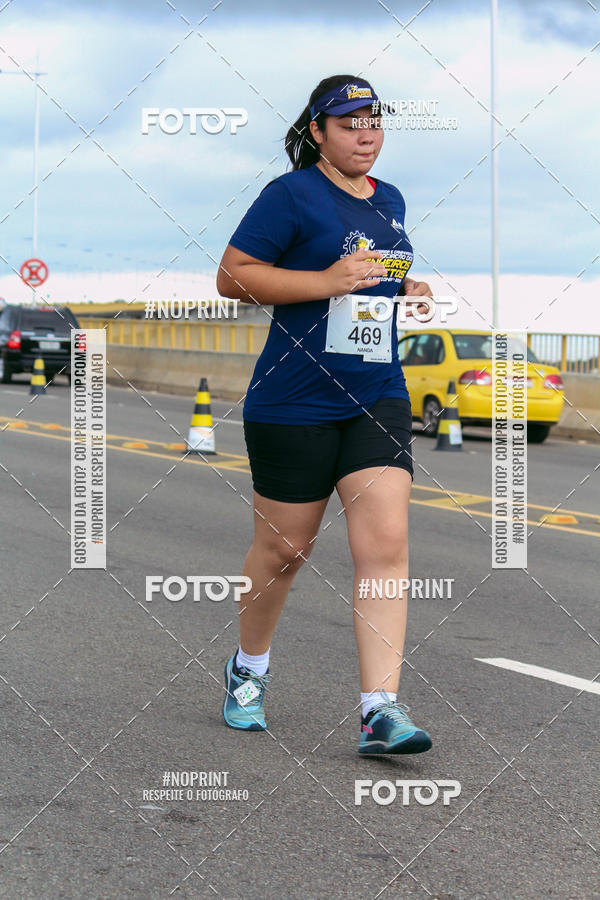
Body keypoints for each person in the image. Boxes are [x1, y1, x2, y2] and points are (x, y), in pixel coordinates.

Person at [216, 75, 434, 755]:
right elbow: (232, 275)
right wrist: (323, 282)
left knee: (386, 546)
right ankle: (248, 669)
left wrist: (413, 287)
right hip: (293, 399)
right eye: (349, 124)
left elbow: (377, 281)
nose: (365, 134)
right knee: (285, 550)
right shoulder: (290, 196)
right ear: (318, 131)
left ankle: (380, 709)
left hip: (376, 393)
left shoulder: (389, 199)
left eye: (374, 122)